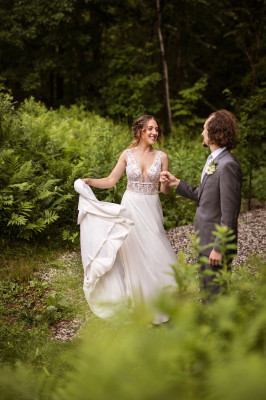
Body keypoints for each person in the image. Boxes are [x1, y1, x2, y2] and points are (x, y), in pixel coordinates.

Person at [77, 115, 177, 322]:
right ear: (140, 130)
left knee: (154, 250)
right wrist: (88, 181)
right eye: (150, 128)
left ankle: (162, 304)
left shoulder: (162, 156)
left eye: (157, 129)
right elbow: (110, 180)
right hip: (130, 206)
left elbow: (164, 191)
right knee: (132, 255)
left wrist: (165, 181)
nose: (154, 133)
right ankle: (137, 307)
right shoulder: (127, 154)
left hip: (151, 207)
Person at [160, 109, 242, 300]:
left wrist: (219, 248)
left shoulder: (228, 164)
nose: (202, 133)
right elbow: (204, 196)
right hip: (205, 240)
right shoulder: (213, 160)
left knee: (217, 296)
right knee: (207, 294)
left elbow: (229, 213)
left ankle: (221, 330)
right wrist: (176, 183)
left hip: (215, 244)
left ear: (215, 132)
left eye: (204, 128)